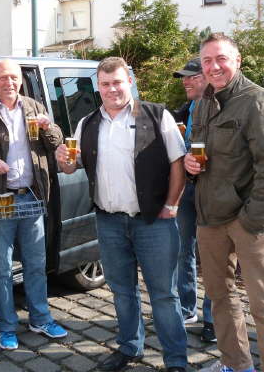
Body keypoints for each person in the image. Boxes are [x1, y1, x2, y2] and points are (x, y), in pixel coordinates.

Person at [56, 57, 188, 372]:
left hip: (153, 221)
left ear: (129, 81)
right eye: (105, 84)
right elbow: (72, 166)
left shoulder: (157, 115)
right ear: (97, 86)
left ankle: (176, 360)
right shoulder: (87, 123)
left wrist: (171, 205)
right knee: (121, 291)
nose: (112, 89)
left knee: (164, 295)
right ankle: (130, 348)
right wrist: (63, 159)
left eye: (117, 82)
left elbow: (178, 162)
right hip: (109, 221)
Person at [185, 34, 264, 372]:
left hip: (250, 220)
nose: (214, 66)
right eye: (207, 61)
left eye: (221, 58)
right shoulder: (204, 100)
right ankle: (237, 365)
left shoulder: (257, 101)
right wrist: (191, 164)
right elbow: (200, 150)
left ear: (238, 60)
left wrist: (252, 219)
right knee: (220, 297)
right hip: (210, 217)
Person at [0, 58, 67, 350]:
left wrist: (48, 127)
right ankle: (6, 326)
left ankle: (40, 318)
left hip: (31, 197)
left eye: (14, 77)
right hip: (0, 200)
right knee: (2, 269)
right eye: (3, 77)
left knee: (36, 264)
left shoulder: (33, 107)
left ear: (20, 80)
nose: (9, 82)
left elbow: (55, 142)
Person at [172, 58, 216, 343]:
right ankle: (187, 310)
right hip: (187, 189)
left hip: (212, 191)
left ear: (207, 78)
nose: (186, 81)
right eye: (184, 77)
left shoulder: (219, 109)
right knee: (182, 250)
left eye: (192, 76)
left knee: (213, 254)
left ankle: (213, 318)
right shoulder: (185, 110)